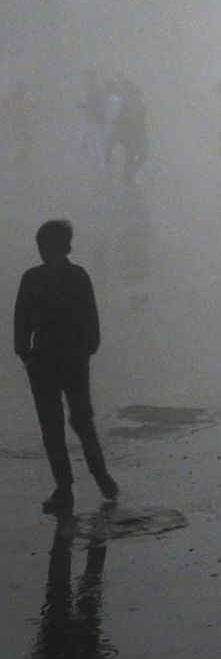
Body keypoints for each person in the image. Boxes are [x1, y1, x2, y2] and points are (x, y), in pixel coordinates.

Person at [14, 220, 118, 515]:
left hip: (53, 361)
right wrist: (84, 351)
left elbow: (22, 322)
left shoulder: (38, 278)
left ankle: (74, 484)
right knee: (71, 423)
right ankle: (92, 479)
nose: (45, 253)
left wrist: (26, 353)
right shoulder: (75, 276)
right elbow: (89, 322)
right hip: (65, 361)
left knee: (63, 425)